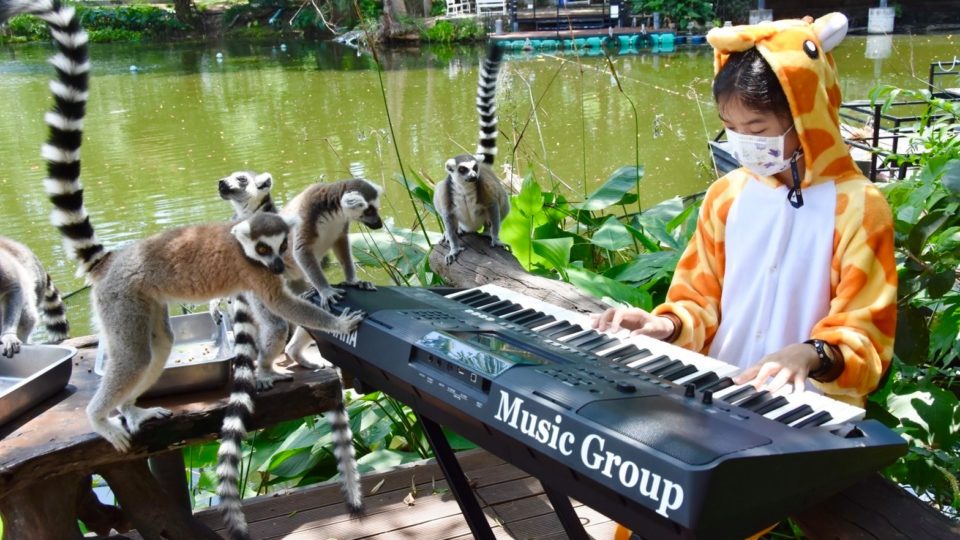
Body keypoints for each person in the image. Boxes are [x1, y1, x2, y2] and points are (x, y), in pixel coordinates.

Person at [602, 11, 897, 540]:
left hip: (798, 415)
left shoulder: (859, 208)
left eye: (757, 130)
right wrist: (663, 326)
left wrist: (807, 353)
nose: (743, 144)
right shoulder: (728, 195)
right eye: (732, 129)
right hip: (714, 393)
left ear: (805, 115)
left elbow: (866, 331)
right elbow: (699, 299)